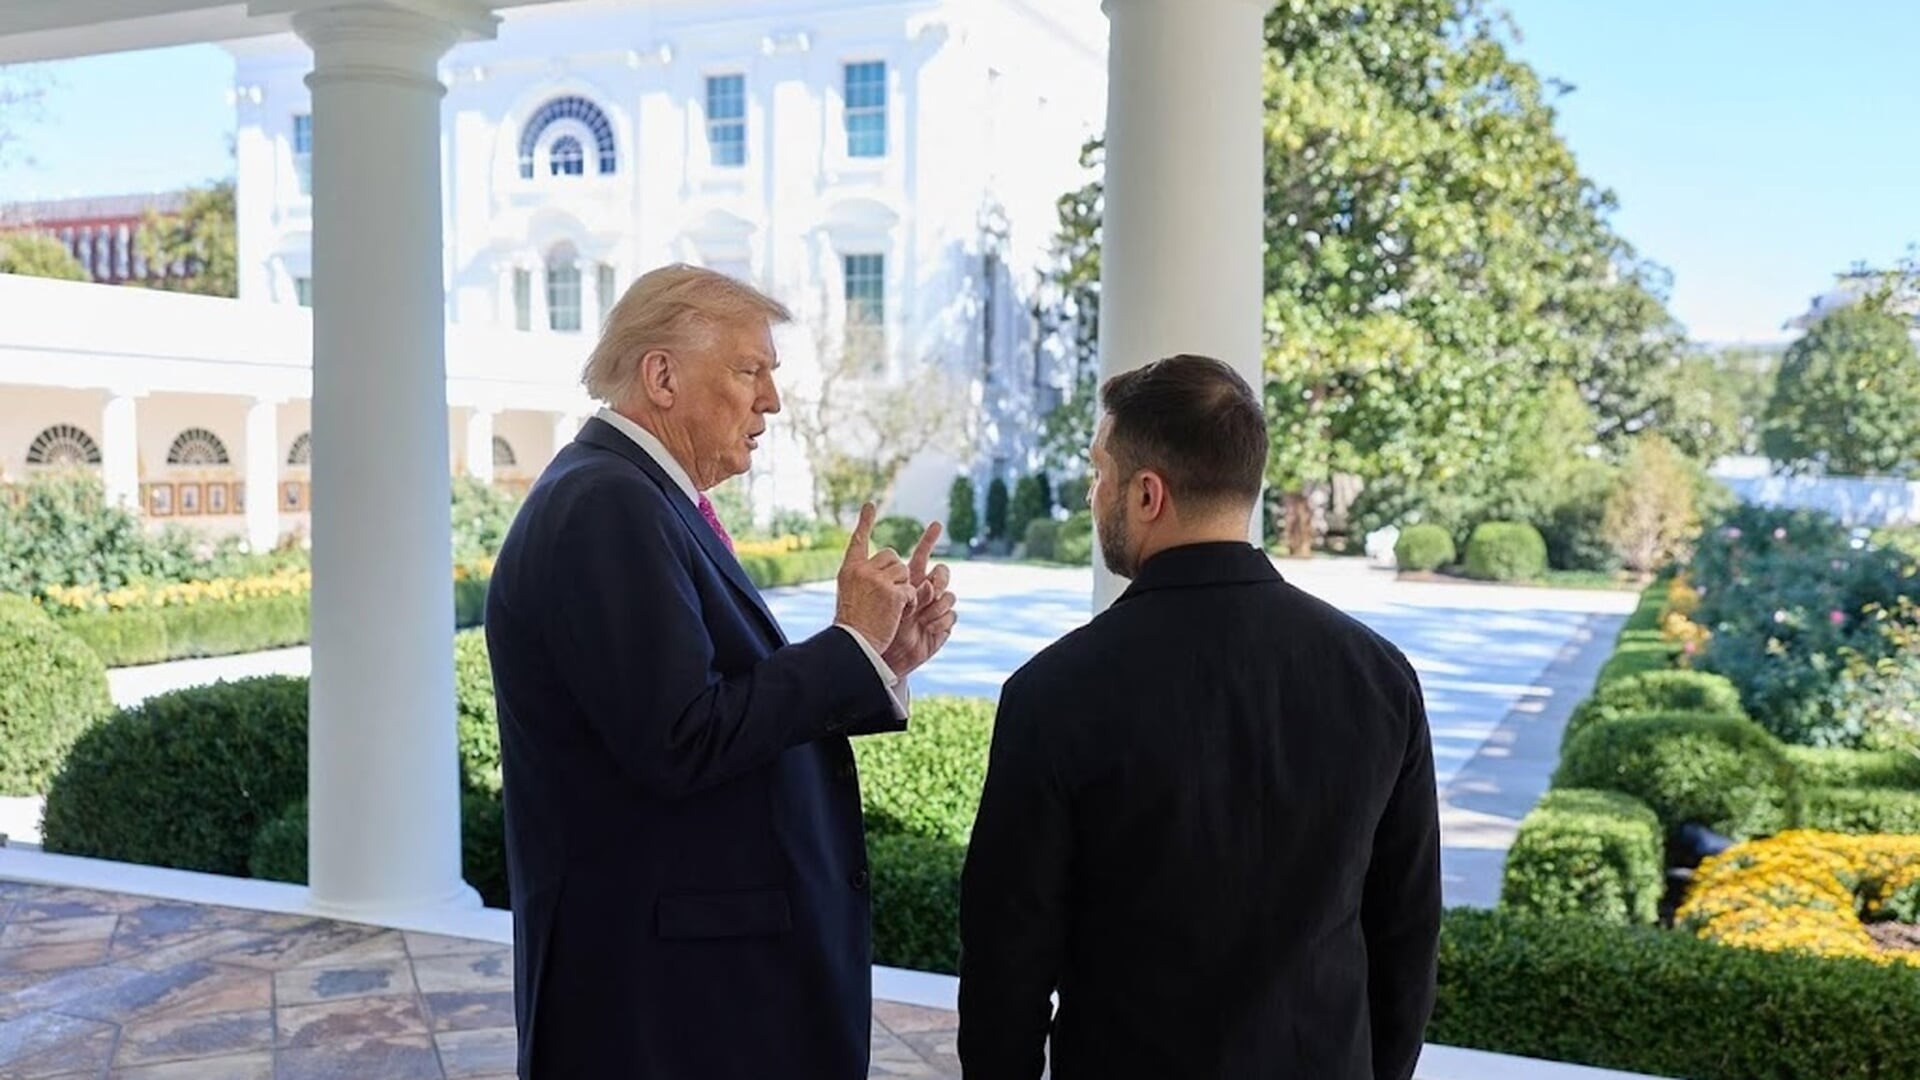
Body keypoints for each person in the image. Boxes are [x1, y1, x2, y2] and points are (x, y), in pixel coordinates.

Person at [483, 264, 957, 1079]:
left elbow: (707, 705)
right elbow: (682, 739)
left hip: (685, 982)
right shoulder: (608, 504)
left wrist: (874, 657)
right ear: (661, 375)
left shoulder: (635, 496)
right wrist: (845, 641)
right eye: (751, 371)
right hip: (666, 1000)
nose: (771, 400)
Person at [957, 354, 1441, 1080]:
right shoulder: (1378, 677)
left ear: (1148, 494)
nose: (1095, 497)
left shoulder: (1053, 692)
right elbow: (1406, 934)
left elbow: (1007, 966)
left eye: (1100, 474)